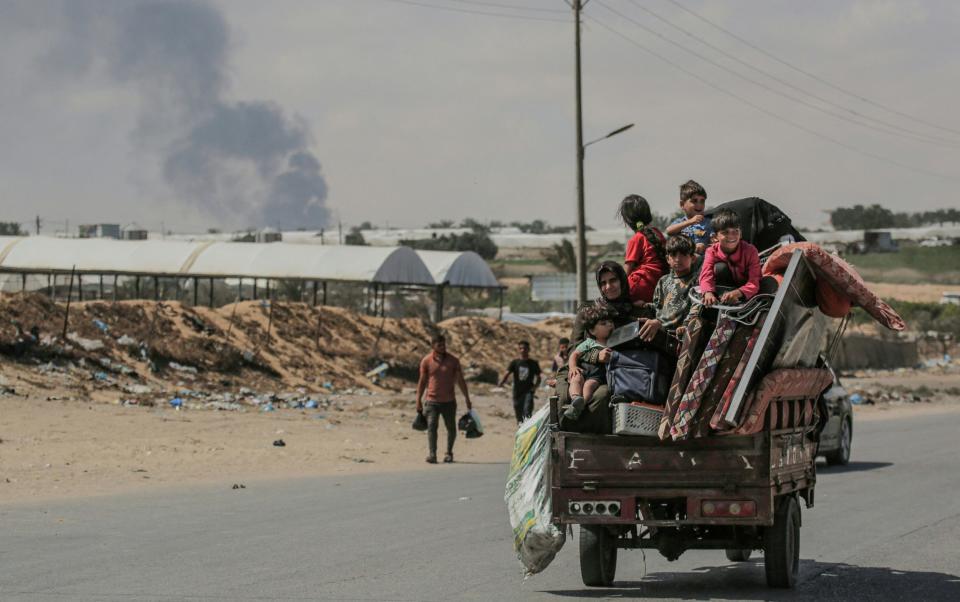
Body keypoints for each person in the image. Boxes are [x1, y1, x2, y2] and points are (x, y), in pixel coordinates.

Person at [416, 333, 472, 464]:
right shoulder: (426, 361)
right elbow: (422, 381)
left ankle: (449, 453)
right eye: (439, 345)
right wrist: (418, 399)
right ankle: (432, 454)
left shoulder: (453, 361)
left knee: (451, 428)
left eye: (444, 344)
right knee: (431, 427)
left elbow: (460, 381)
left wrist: (467, 398)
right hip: (431, 401)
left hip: (449, 402)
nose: (442, 347)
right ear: (433, 346)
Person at [639, 235, 703, 342]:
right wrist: (644, 305)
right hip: (658, 328)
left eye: (683, 254)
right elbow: (658, 307)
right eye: (673, 255)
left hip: (677, 334)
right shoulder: (663, 281)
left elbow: (696, 308)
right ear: (668, 259)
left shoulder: (697, 282)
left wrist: (685, 326)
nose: (678, 259)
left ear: (692, 258)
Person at [700, 209, 761, 307]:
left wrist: (738, 292)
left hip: (744, 293)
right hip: (721, 292)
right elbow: (706, 276)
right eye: (725, 232)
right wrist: (708, 292)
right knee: (720, 268)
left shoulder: (751, 251)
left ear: (740, 233)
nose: (731, 236)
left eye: (735, 231)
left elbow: (754, 282)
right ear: (715, 237)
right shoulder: (711, 251)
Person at [565, 305, 615, 421]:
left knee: (589, 386)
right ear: (592, 330)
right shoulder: (589, 343)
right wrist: (573, 367)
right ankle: (576, 399)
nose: (609, 325)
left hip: (597, 376)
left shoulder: (613, 343)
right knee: (576, 380)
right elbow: (574, 354)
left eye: (610, 322)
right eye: (603, 323)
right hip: (582, 370)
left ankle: (580, 406)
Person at [619, 194, 668, 304]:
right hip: (658, 288)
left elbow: (627, 269)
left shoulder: (636, 239)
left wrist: (615, 284)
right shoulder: (658, 233)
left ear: (627, 220)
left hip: (638, 288)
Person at [498, 340, 542, 424]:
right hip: (517, 391)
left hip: (528, 391)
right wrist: (502, 382)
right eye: (520, 348)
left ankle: (527, 430)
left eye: (525, 348)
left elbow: (539, 376)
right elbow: (507, 373)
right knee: (518, 412)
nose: (522, 350)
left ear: (528, 349)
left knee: (527, 411)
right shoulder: (514, 363)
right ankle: (520, 428)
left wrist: (534, 387)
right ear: (518, 350)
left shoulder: (533, 363)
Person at [665, 180, 714, 254]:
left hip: (702, 259)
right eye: (694, 201)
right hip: (684, 259)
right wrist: (690, 221)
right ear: (682, 204)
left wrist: (705, 246)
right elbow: (669, 231)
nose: (699, 204)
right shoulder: (680, 222)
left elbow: (714, 241)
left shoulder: (708, 223)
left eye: (702, 201)